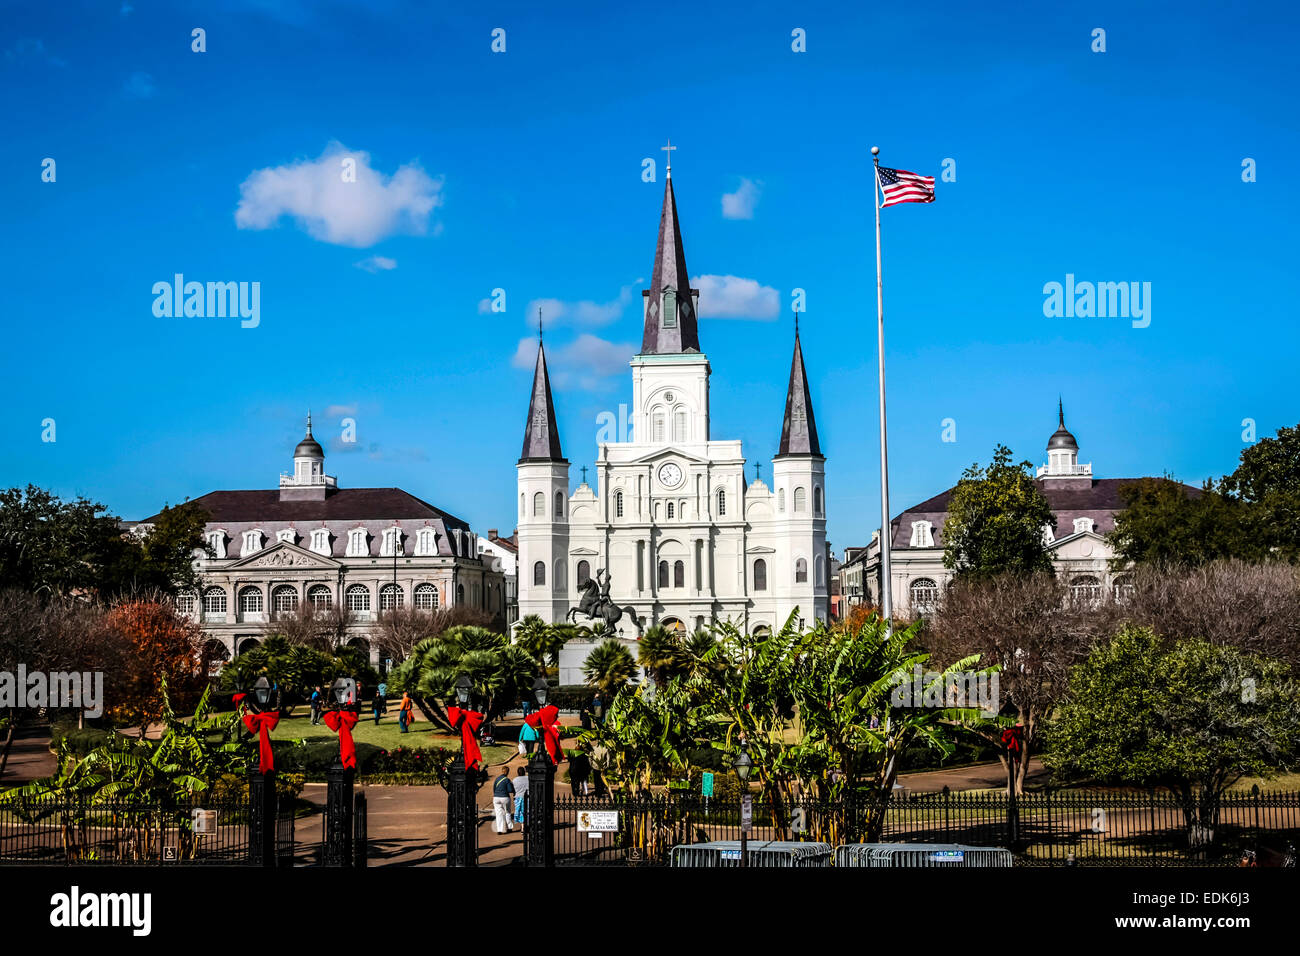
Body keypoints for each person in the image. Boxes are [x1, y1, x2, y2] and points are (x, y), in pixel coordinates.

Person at [492, 767, 515, 833]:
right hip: (505, 797)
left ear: (502, 771)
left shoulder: (497, 779)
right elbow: (510, 790)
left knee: (499, 814)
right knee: (507, 812)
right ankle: (509, 827)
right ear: (508, 772)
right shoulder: (507, 780)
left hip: (496, 798)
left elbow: (494, 789)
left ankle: (499, 830)